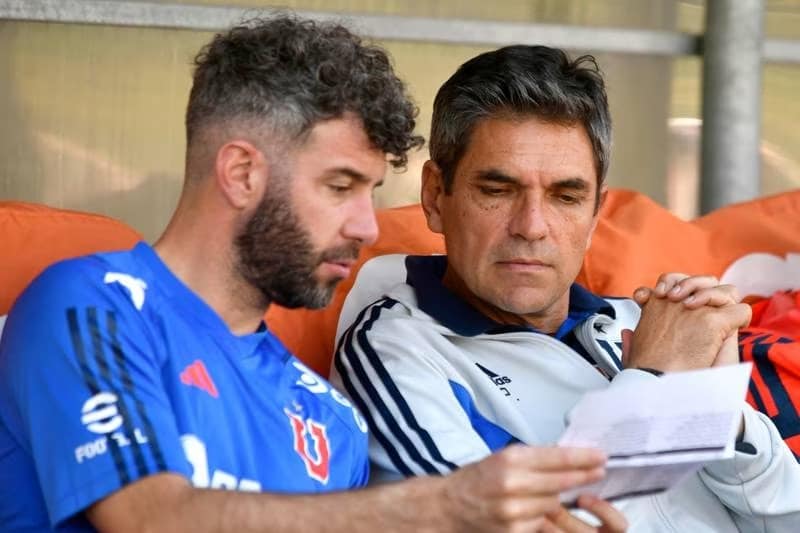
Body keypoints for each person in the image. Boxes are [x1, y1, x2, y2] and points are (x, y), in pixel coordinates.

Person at [0, 15, 628, 533]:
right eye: (340, 186)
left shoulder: (328, 417)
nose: (368, 227)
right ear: (242, 174)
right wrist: (442, 505)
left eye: (370, 192)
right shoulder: (94, 306)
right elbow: (151, 518)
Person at [333, 44, 800, 531]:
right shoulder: (394, 351)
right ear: (434, 196)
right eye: (497, 190)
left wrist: (719, 415)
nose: (532, 226)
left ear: (595, 213)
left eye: (566, 197)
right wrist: (653, 385)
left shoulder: (640, 322)